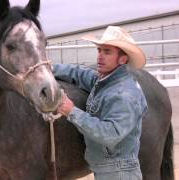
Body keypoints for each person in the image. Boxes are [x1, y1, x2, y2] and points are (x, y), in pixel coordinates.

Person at [53, 26, 148, 180]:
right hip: (111, 170)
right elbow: (79, 73)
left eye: (107, 52)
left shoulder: (124, 94)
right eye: (99, 50)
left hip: (119, 174)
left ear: (123, 59)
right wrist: (49, 68)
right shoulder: (106, 81)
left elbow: (110, 134)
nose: (100, 56)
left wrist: (72, 111)